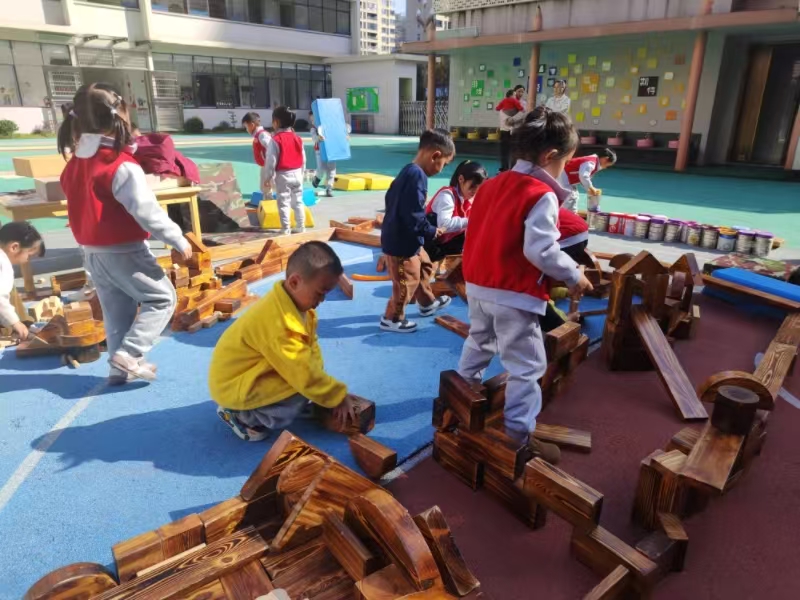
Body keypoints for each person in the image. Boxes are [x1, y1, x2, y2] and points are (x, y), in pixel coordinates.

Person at [457, 107, 593, 462]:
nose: (564, 169)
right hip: (514, 293)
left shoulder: (490, 185)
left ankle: (460, 399)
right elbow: (541, 250)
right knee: (526, 366)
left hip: (479, 285)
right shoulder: (539, 193)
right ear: (550, 156)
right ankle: (518, 437)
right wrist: (573, 275)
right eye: (565, 162)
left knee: (479, 342)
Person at [57, 82, 192, 384]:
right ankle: (130, 354)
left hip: (92, 253)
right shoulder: (120, 165)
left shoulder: (75, 164)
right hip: (124, 250)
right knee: (162, 299)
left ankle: (118, 369)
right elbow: (146, 211)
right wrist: (176, 237)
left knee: (116, 312)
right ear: (119, 116)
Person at [210, 241, 357, 442]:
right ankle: (241, 416)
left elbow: (310, 351)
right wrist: (336, 397)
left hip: (248, 374)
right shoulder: (279, 324)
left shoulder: (297, 307)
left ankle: (268, 404)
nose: (322, 300)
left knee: (303, 383)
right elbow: (302, 373)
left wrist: (322, 388)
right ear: (295, 282)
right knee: (296, 392)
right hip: (233, 386)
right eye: (320, 292)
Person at [380, 129, 455, 333]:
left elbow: (392, 200)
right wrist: (430, 230)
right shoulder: (417, 176)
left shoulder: (409, 171)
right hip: (401, 243)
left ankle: (427, 302)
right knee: (406, 281)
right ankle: (392, 318)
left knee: (424, 266)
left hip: (409, 238)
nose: (442, 169)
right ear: (435, 156)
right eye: (444, 164)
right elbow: (413, 213)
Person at [423, 160, 487, 262]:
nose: (475, 191)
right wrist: (471, 220)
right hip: (428, 245)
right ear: (461, 179)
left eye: (479, 188)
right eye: (473, 186)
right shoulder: (447, 196)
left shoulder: (471, 200)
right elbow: (444, 224)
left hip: (446, 245)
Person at [264, 106, 307, 235]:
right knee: (298, 201)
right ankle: (301, 226)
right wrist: (302, 172)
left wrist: (268, 177)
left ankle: (285, 228)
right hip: (297, 173)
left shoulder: (276, 140)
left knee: (283, 202)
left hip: (283, 175)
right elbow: (303, 158)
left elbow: (271, 162)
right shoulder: (297, 138)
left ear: (276, 122)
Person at [0, 221, 44, 340]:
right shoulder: (3, 263)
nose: (27, 260)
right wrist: (15, 323)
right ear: (14, 247)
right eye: (29, 255)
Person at [562, 148, 617, 213]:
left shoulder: (593, 161)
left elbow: (583, 178)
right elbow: (584, 176)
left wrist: (590, 188)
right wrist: (591, 188)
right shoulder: (591, 162)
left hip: (566, 179)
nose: (605, 167)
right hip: (563, 178)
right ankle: (564, 214)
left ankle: (572, 214)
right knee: (570, 197)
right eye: (607, 165)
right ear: (605, 159)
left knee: (574, 196)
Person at [242, 112, 273, 197]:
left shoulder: (262, 135)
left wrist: (271, 163)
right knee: (264, 186)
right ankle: (268, 199)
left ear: (252, 125)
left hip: (269, 165)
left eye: (246, 127)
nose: (246, 129)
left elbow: (272, 147)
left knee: (272, 184)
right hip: (265, 165)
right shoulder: (259, 135)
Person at [497, 90, 527, 172]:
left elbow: (523, 114)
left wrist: (512, 119)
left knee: (514, 151)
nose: (518, 94)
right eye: (515, 94)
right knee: (505, 151)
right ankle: (505, 168)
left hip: (514, 131)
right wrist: (510, 120)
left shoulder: (521, 104)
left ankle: (513, 169)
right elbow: (504, 116)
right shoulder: (506, 104)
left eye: (522, 92)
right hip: (506, 130)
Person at [309, 113, 335, 198]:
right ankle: (317, 178)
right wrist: (318, 138)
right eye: (311, 119)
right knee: (321, 169)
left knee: (331, 169)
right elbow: (314, 138)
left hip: (331, 149)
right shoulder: (313, 128)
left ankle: (329, 188)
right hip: (320, 150)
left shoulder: (331, 125)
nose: (312, 120)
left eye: (313, 118)